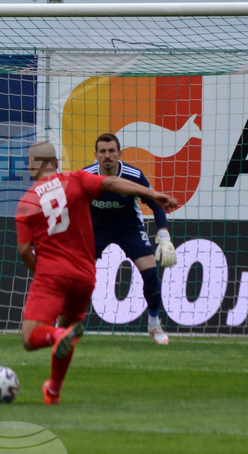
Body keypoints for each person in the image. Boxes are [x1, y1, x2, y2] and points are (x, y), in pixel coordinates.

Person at [16, 141, 179, 405]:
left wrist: (39, 272)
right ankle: (53, 391)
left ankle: (59, 336)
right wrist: (153, 194)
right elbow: (111, 184)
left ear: (31, 166)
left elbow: (24, 250)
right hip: (84, 275)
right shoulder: (77, 178)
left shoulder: (26, 203)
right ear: (57, 164)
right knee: (68, 327)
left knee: (32, 336)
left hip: (53, 274)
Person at [83, 133, 177, 344]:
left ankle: (154, 323)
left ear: (119, 154)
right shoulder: (86, 175)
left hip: (129, 228)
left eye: (111, 151)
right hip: (96, 229)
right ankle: (66, 321)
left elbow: (155, 203)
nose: (107, 156)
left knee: (151, 273)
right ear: (95, 155)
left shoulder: (133, 175)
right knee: (75, 273)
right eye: (103, 152)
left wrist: (164, 235)